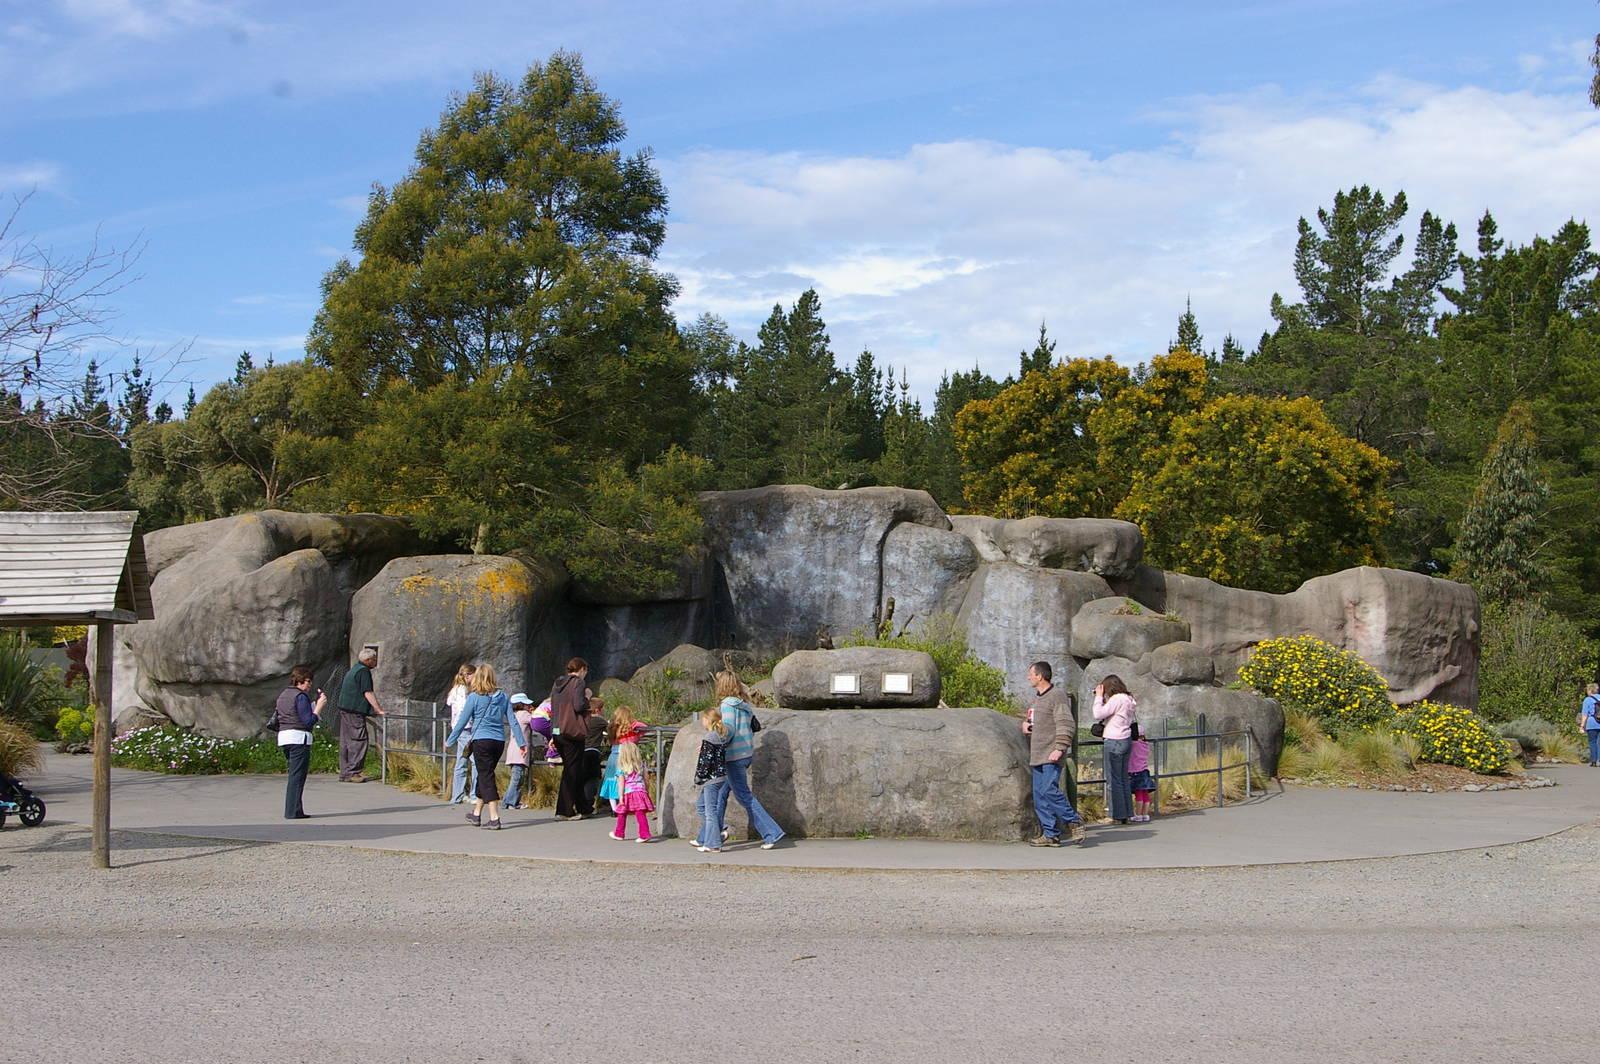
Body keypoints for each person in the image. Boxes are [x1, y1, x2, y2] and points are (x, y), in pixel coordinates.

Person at [444, 663, 523, 830]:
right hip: (498, 742)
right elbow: (513, 721)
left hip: (481, 740)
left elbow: (461, 722)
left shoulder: (473, 697)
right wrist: (522, 742)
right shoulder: (502, 696)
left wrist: (450, 740)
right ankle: (477, 814)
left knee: (486, 776)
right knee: (484, 774)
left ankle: (494, 817)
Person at [715, 671, 786, 849]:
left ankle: (771, 833)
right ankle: (711, 835)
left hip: (733, 757)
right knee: (721, 793)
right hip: (745, 754)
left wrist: (714, 742)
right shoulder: (744, 705)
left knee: (744, 797)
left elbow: (729, 730)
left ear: (722, 685)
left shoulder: (727, 706)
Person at [1023, 661, 1084, 847]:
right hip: (1037, 753)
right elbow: (1039, 721)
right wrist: (1028, 725)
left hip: (1051, 753)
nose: (1028, 677)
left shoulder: (1056, 696)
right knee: (1040, 795)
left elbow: (1066, 723)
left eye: (1031, 674)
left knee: (1049, 790)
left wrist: (1060, 747)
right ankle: (1050, 834)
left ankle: (1073, 820)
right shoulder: (1037, 699)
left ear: (1040, 676)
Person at [275, 666, 326, 819]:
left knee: (294, 774)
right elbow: (308, 721)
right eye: (308, 681)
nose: (309, 684)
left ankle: (295, 809)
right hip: (298, 738)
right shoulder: (300, 696)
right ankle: (293, 811)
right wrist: (318, 708)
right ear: (299, 681)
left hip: (284, 736)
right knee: (297, 776)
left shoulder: (284, 694)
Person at [549, 658, 593, 820]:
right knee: (572, 770)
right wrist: (587, 697)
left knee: (574, 768)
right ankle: (564, 809)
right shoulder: (578, 683)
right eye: (586, 671)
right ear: (581, 669)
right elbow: (579, 706)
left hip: (558, 730)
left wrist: (553, 733)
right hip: (572, 732)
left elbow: (553, 707)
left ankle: (584, 807)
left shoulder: (558, 683)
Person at [336, 646, 386, 782]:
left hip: (345, 709)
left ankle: (345, 772)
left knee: (346, 741)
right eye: (374, 659)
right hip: (354, 711)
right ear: (368, 660)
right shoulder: (363, 672)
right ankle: (354, 772)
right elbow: (367, 692)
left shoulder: (354, 669)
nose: (376, 662)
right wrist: (378, 709)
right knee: (359, 740)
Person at [1093, 675, 1138, 824]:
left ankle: (1115, 815)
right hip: (1125, 740)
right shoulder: (1128, 699)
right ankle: (1126, 814)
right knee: (1123, 779)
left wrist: (1099, 698)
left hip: (1114, 740)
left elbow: (1098, 714)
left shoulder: (1117, 699)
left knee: (1113, 780)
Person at [692, 705, 730, 853]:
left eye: (703, 718)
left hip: (711, 779)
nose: (702, 721)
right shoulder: (719, 736)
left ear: (707, 720)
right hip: (720, 777)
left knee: (710, 811)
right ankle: (717, 832)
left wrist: (699, 777)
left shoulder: (709, 737)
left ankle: (713, 844)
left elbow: (706, 761)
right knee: (702, 807)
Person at [598, 706, 644, 814]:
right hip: (627, 756)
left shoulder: (612, 729)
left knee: (612, 781)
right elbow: (643, 728)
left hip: (613, 755)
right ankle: (624, 804)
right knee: (627, 780)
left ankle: (614, 808)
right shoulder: (630, 730)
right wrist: (634, 724)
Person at [607, 741, 655, 843]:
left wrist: (620, 797)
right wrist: (646, 790)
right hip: (640, 790)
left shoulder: (622, 767)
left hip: (628, 792)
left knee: (622, 812)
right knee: (640, 812)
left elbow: (621, 783)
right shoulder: (641, 765)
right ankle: (644, 833)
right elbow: (646, 778)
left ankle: (620, 833)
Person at [446, 664, 476, 803]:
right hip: (466, 728)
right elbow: (465, 710)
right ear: (468, 675)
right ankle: (474, 794)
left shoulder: (455, 690)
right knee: (474, 761)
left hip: (459, 728)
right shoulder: (463, 691)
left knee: (461, 761)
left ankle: (457, 795)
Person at [502, 692, 536, 809]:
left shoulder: (514, 714)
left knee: (516, 777)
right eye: (527, 704)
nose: (529, 706)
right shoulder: (524, 714)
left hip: (513, 750)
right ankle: (510, 802)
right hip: (520, 752)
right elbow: (535, 721)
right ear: (521, 705)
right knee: (517, 778)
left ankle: (509, 800)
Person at [582, 696, 610, 811]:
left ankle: (581, 803)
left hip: (581, 751)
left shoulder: (584, 718)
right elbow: (611, 730)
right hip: (593, 752)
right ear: (598, 710)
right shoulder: (599, 720)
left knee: (582, 778)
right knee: (593, 778)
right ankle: (589, 804)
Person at [1128, 723, 1155, 822]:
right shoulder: (1145, 744)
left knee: (1138, 795)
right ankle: (1145, 814)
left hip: (1135, 772)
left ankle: (1138, 814)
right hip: (1144, 771)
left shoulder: (1133, 744)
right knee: (1145, 794)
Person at [1581, 682, 1600, 767]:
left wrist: (1582, 726)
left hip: (1592, 723)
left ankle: (1594, 761)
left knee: (1592, 742)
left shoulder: (1587, 700)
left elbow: (1585, 714)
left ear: (1590, 690)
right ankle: (1599, 759)